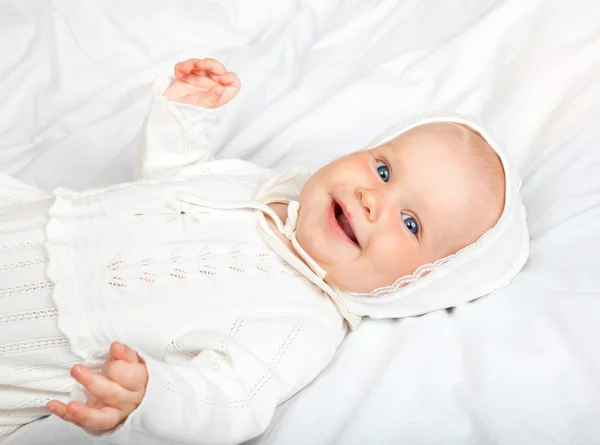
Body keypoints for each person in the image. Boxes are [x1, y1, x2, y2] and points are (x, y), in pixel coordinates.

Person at [0, 58, 529, 444]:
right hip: (24, 224)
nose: (373, 199)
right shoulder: (264, 186)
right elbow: (169, 182)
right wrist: (182, 120)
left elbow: (234, 400)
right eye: (384, 170)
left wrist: (151, 395)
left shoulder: (301, 321)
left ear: (417, 284)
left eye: (410, 222)